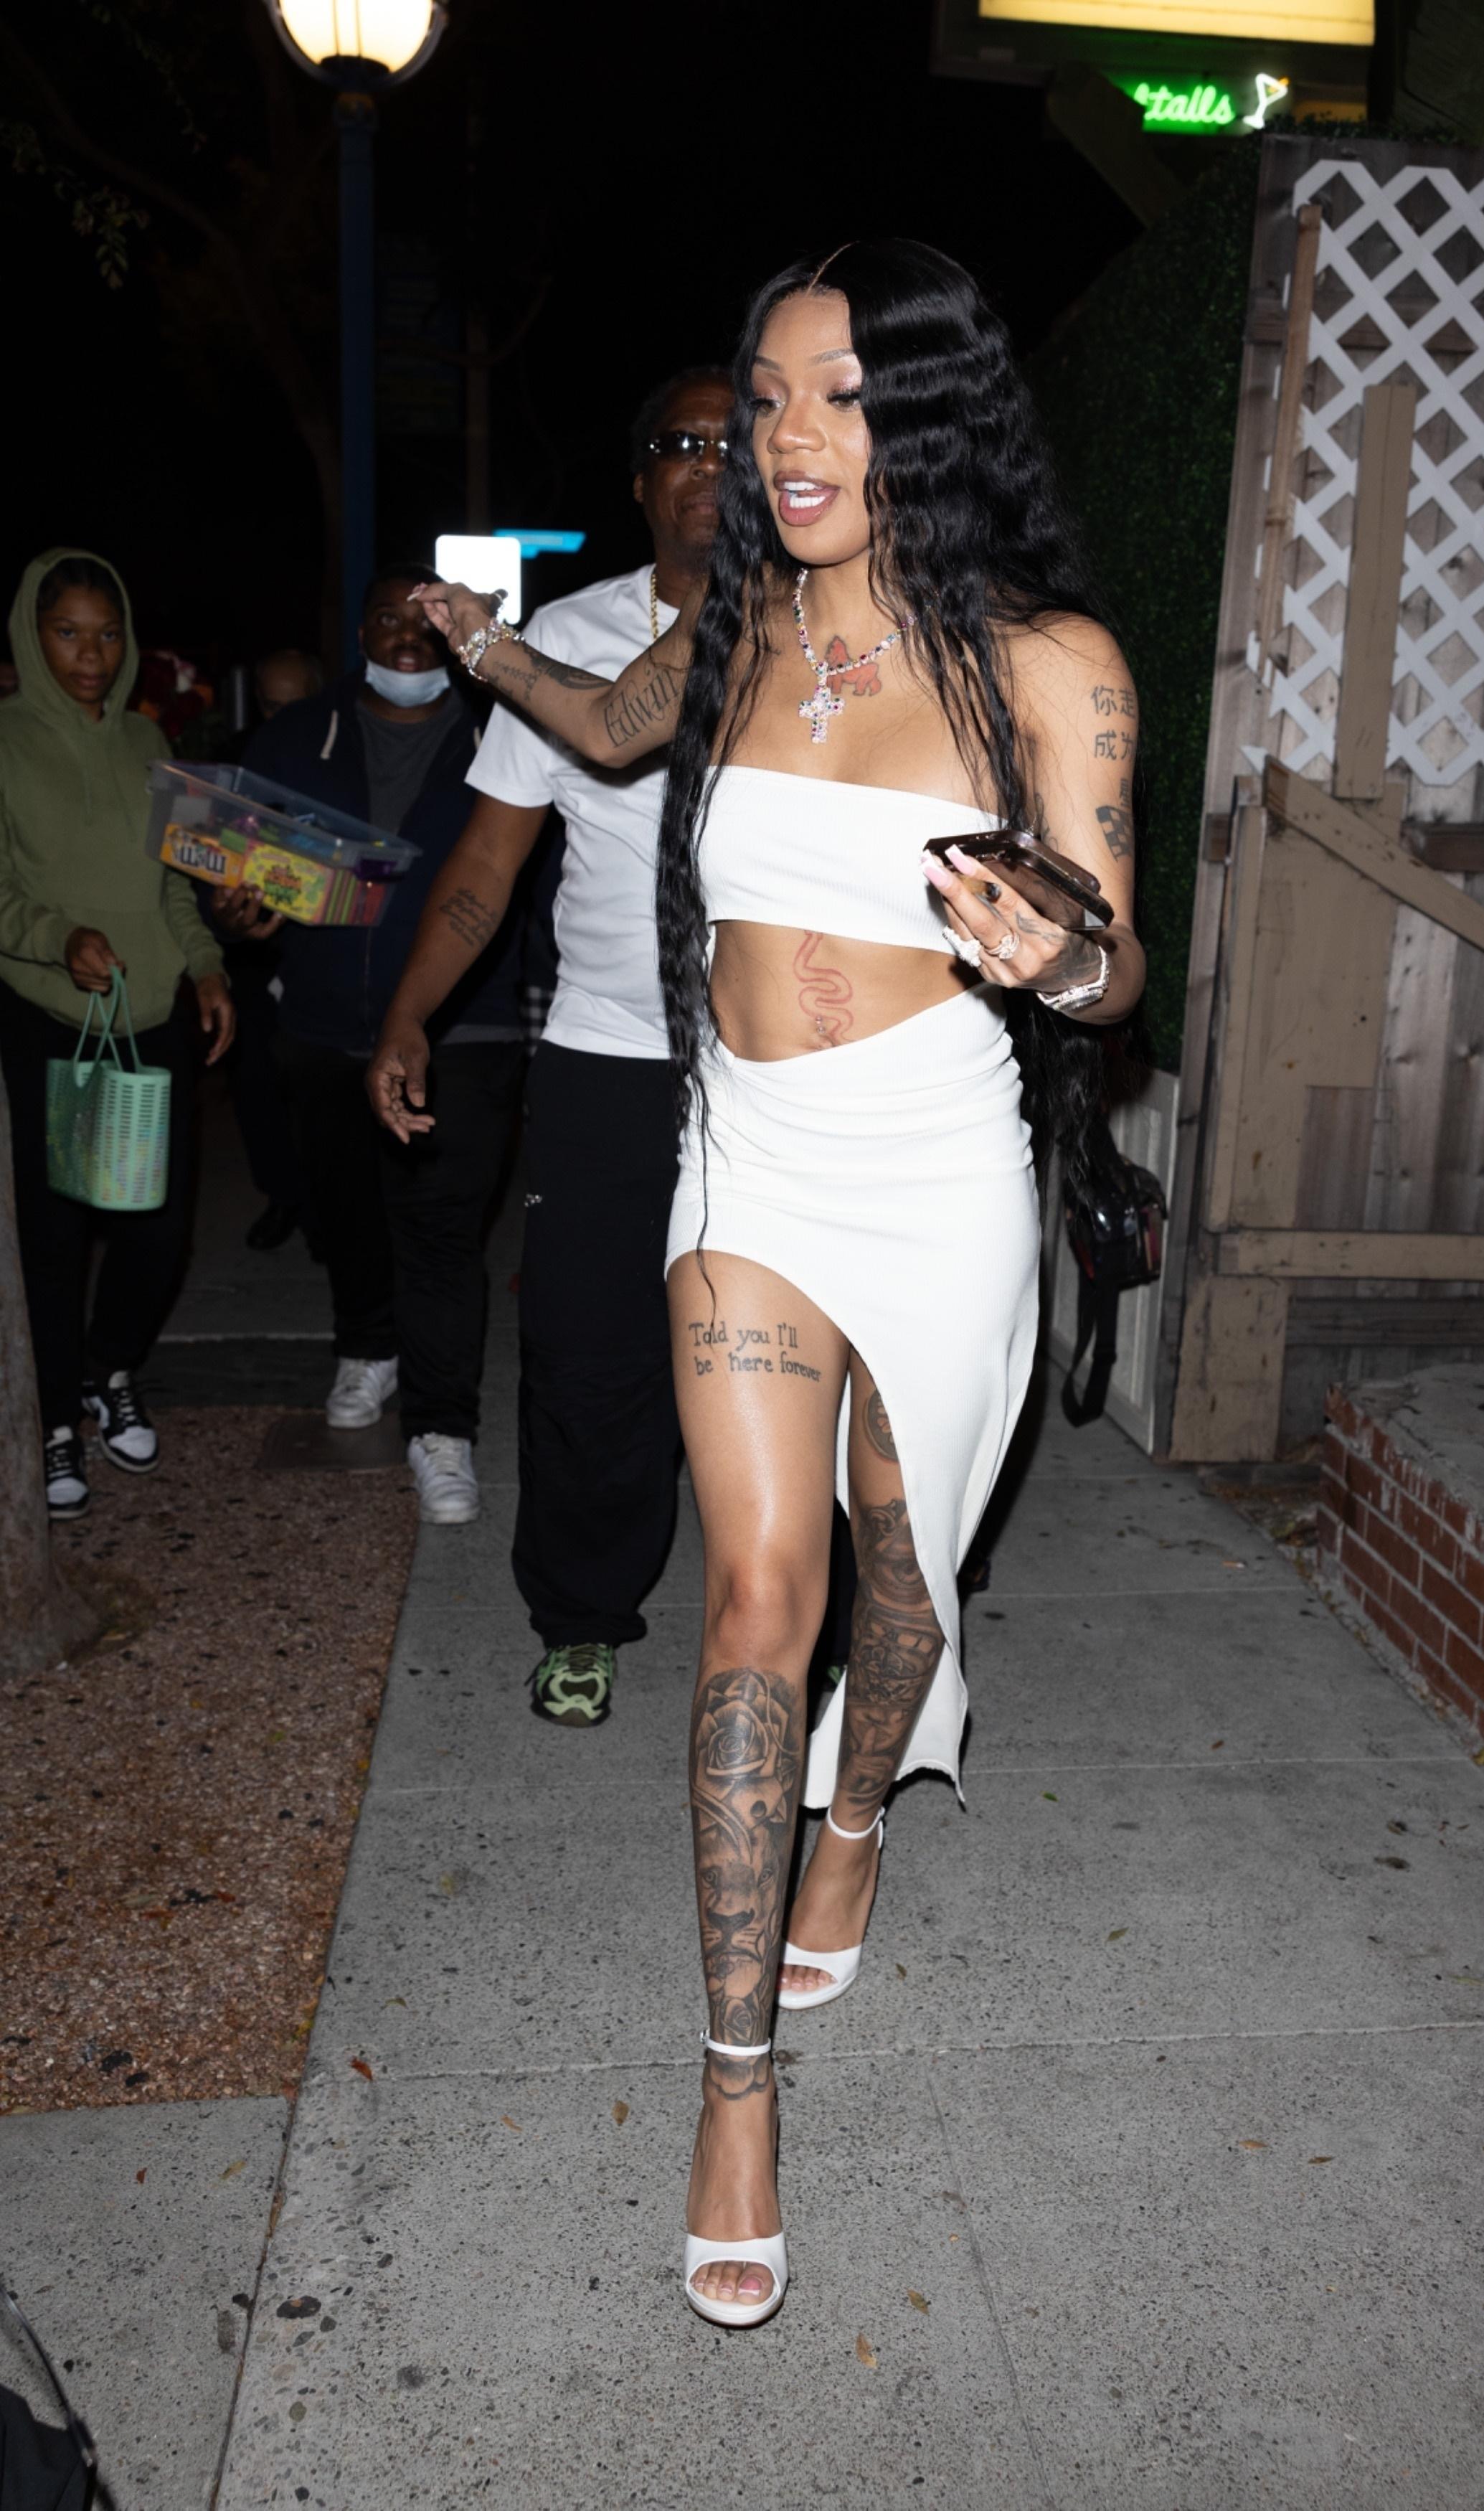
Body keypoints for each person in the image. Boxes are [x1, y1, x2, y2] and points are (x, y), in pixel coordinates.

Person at [403, 239, 1145, 2327]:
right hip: (747, 1162)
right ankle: (735, 2083)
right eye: (767, 400)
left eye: (841, 397)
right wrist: (484, 644)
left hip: (939, 1163)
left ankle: (859, 1820)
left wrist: (1058, 954)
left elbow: (1116, 963)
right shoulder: (720, 633)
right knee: (754, 1596)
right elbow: (597, 722)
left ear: (934, 417)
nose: (789, 440)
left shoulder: (1049, 663)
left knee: (900, 1585)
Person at [366, 367, 732, 1722]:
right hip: (608, 1056)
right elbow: (486, 863)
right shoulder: (568, 637)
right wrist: (409, 1012)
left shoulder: (828, 635)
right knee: (589, 1351)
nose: (709, 463)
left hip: (784, 1066)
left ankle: (806, 1623)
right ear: (638, 481)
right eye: (679, 442)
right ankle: (582, 1615)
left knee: (787, 1352)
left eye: (735, 441)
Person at [220, 570, 534, 1525]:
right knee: (345, 1210)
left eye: (424, 620)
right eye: (387, 618)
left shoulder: (504, 735)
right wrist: (236, 908)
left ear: (451, 631)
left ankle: (442, 1429)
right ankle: (367, 1346)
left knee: (440, 1230)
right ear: (358, 630)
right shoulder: (293, 737)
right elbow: (239, 866)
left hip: (464, 1026)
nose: (405, 637)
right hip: (324, 1022)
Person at [0, 548, 235, 1517]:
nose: (90, 655)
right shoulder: (7, 740)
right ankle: (56, 1417)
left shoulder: (148, 741)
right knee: (56, 1234)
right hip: (49, 1017)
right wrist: (59, 939)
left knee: (155, 1225)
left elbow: (175, 878)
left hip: (148, 1016)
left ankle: (110, 1369)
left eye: (106, 634)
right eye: (68, 633)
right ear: (32, 634)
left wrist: (207, 966)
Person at [221, 645, 326, 1253]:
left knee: (320, 1093)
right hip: (252, 952)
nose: (281, 718)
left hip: (319, 950)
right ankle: (283, 1196)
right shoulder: (240, 759)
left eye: (295, 704)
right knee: (257, 1086)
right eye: (269, 705)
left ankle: (324, 1210)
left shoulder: (340, 755)